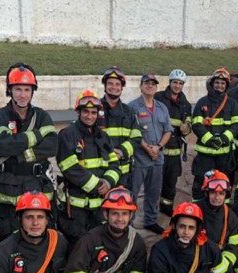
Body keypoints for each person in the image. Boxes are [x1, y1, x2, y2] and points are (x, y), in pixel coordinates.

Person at [0, 63, 58, 240]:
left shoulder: (42, 116)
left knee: (41, 232)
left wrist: (21, 153)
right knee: (9, 233)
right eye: (18, 89)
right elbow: (4, 146)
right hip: (9, 185)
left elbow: (52, 145)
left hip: (39, 183)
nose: (23, 94)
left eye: (27, 89)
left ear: (33, 91)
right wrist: (37, 135)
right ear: (9, 90)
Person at [56, 90, 121, 244]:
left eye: (93, 112)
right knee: (75, 246)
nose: (90, 116)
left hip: (99, 208)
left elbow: (115, 164)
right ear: (78, 112)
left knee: (97, 245)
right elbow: (69, 167)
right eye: (85, 111)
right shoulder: (67, 134)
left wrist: (108, 182)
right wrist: (98, 185)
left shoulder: (103, 136)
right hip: (75, 209)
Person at [129, 74, 174, 234]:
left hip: (157, 158)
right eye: (146, 83)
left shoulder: (162, 107)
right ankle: (128, 223)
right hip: (139, 159)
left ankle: (150, 221)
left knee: (153, 193)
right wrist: (148, 148)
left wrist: (158, 147)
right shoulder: (132, 107)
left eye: (153, 84)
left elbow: (168, 130)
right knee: (132, 193)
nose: (150, 86)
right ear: (140, 86)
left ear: (156, 88)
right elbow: (132, 132)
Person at [191, 68, 238, 200]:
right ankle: (198, 210)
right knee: (201, 185)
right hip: (205, 156)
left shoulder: (232, 104)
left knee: (224, 185)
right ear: (212, 83)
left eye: (223, 83)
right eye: (217, 82)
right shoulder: (202, 102)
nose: (220, 85)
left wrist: (224, 138)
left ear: (227, 86)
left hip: (225, 156)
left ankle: (223, 211)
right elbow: (196, 124)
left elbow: (236, 125)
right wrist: (210, 140)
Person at [155, 69, 193, 216]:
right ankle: (151, 210)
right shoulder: (158, 98)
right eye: (175, 82)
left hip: (175, 151)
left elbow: (188, 123)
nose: (177, 86)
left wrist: (186, 128)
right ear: (170, 83)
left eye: (180, 83)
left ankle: (166, 209)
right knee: (155, 184)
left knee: (170, 185)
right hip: (159, 150)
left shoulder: (186, 104)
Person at [195, 170, 238, 273]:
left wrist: (225, 262)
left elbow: (235, 245)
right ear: (206, 193)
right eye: (213, 192)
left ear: (226, 195)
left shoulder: (231, 217)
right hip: (194, 260)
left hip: (218, 260)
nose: (217, 198)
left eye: (221, 193)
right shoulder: (195, 210)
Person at [101, 66, 142, 189]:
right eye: (110, 83)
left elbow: (137, 137)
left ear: (122, 87)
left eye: (117, 84)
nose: (114, 87)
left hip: (124, 174)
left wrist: (122, 152)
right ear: (104, 85)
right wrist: (111, 154)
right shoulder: (95, 110)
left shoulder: (128, 111)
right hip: (101, 172)